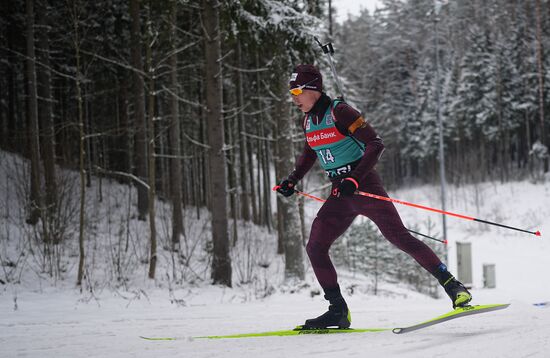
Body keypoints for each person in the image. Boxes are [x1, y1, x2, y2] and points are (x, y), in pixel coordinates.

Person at [276, 64, 472, 330]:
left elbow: (376, 144)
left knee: (399, 237)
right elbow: (310, 152)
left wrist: (354, 178)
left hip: (363, 184)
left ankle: (453, 286)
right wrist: (292, 180)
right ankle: (337, 311)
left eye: (298, 90)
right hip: (340, 191)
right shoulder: (308, 120)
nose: (294, 97)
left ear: (315, 89)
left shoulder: (340, 111)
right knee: (315, 246)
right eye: (291, 92)